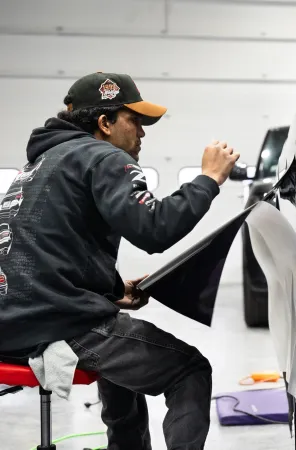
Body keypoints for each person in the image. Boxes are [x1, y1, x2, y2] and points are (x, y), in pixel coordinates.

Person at [0, 72, 240, 450]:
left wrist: (113, 289)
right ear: (105, 123)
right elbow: (154, 229)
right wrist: (208, 179)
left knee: (123, 344)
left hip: (11, 322)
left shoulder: (42, 164)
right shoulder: (103, 156)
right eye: (136, 121)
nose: (142, 133)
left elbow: (47, 245)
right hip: (54, 321)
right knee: (190, 369)